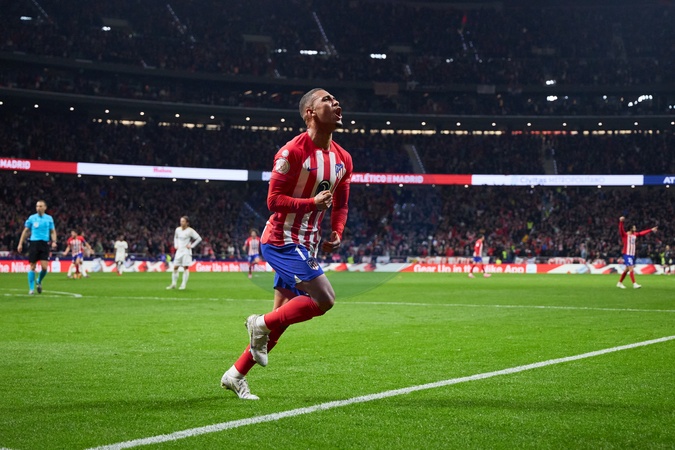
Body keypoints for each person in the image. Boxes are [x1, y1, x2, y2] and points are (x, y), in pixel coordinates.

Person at [220, 88, 353, 400]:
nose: (336, 102)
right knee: (324, 299)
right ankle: (258, 323)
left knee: (280, 321)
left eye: (336, 99)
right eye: (327, 100)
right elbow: (273, 201)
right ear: (310, 112)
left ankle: (235, 374)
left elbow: (341, 204)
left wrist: (337, 230)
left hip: (307, 244)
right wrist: (311, 203)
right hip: (281, 240)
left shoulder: (343, 159)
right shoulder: (291, 152)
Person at [17, 200, 58, 295]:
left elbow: (52, 231)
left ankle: (38, 280)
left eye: (40, 206)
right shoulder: (32, 218)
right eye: (37, 206)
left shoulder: (49, 218)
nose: (38, 208)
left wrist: (54, 241)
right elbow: (25, 231)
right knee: (32, 266)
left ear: (45, 207)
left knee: (44, 268)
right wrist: (20, 243)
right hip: (34, 243)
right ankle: (31, 289)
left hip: (44, 244)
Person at [617, 216, 657, 289]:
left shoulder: (634, 234)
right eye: (634, 227)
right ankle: (634, 284)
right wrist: (621, 222)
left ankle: (619, 283)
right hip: (627, 254)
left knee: (626, 270)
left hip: (632, 254)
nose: (635, 228)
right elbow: (621, 230)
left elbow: (642, 233)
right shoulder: (625, 235)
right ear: (631, 228)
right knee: (631, 268)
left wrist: (651, 230)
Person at [166, 216, 202, 290]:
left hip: (186, 251)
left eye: (183, 221)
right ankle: (173, 284)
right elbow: (175, 237)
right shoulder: (177, 230)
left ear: (187, 223)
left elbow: (199, 238)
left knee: (185, 267)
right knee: (175, 267)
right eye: (181, 221)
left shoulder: (190, 231)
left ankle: (183, 285)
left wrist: (192, 246)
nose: (181, 223)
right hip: (179, 251)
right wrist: (176, 245)